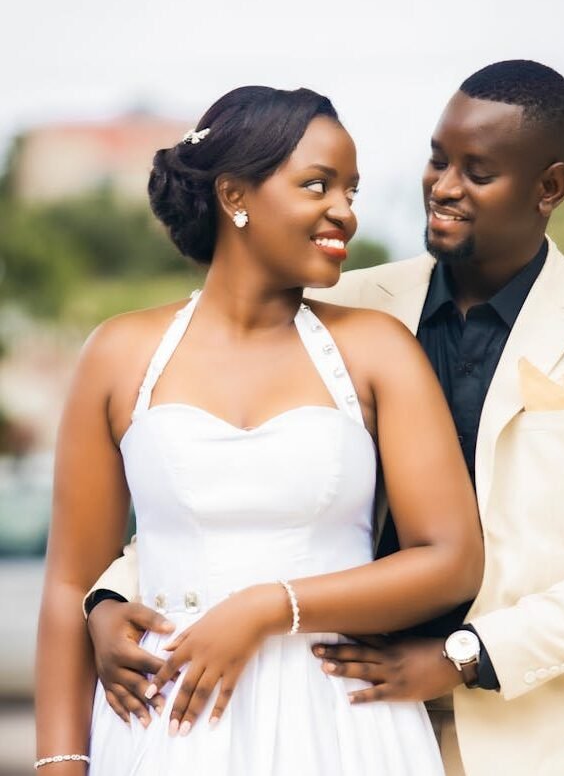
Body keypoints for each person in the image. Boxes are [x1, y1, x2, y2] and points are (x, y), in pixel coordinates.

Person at [82, 61, 564, 776]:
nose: (442, 185)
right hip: (346, 717)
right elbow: (239, 484)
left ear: (549, 188)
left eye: (477, 170)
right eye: (438, 158)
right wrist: (111, 594)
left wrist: (462, 658)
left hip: (548, 737)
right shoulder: (345, 305)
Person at [35, 85, 486, 775]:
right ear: (234, 196)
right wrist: (60, 763)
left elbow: (451, 558)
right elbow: (72, 585)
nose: (346, 211)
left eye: (352, 191)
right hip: (162, 725)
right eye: (317, 185)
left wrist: (270, 608)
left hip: (338, 722)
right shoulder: (120, 353)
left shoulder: (377, 350)